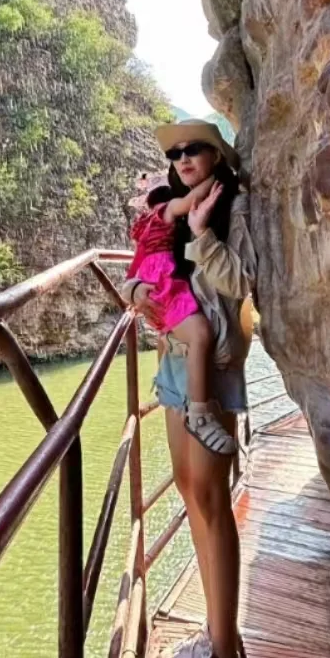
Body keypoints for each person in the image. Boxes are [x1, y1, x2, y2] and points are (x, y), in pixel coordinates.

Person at [122, 118, 256, 658]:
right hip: (175, 363)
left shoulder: (233, 206)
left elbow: (241, 285)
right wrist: (139, 295)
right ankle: (216, 631)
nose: (180, 159)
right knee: (187, 488)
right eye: (173, 153)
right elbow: (150, 268)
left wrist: (203, 235)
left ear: (216, 154)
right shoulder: (173, 212)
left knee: (209, 499)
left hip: (214, 365)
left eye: (191, 149)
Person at [127, 177, 237, 455]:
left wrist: (134, 289)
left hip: (155, 288)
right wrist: (216, 178)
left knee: (194, 335)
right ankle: (198, 415)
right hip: (165, 286)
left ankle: (194, 408)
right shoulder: (165, 211)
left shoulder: (145, 228)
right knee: (200, 333)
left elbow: (133, 271)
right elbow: (187, 203)